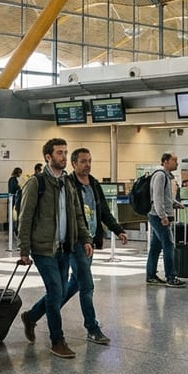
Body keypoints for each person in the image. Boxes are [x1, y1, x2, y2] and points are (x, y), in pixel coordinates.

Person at [20, 147, 124, 346]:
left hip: (87, 241)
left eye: (90, 161)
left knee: (70, 286)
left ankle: (32, 315)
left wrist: (116, 230)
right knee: (86, 285)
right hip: (72, 243)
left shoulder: (93, 183)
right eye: (83, 161)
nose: (87, 165)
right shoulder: (67, 183)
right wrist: (24, 248)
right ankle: (91, 328)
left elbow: (101, 210)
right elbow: (31, 217)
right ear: (74, 164)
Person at [17, 138, 93, 359]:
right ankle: (57, 340)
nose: (64, 156)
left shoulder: (68, 183)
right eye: (60, 153)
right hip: (43, 249)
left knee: (56, 292)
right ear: (48, 157)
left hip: (64, 248)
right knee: (56, 291)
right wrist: (24, 249)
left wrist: (85, 238)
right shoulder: (37, 183)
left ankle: (31, 317)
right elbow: (25, 217)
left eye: (65, 152)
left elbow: (77, 214)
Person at [146, 152, 187, 288]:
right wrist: (163, 216)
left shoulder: (166, 177)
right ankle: (171, 276)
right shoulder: (160, 176)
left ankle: (151, 275)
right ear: (165, 162)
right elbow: (157, 198)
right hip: (158, 217)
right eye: (174, 160)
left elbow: (165, 197)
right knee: (169, 245)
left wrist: (175, 203)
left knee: (156, 247)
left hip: (158, 215)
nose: (176, 163)